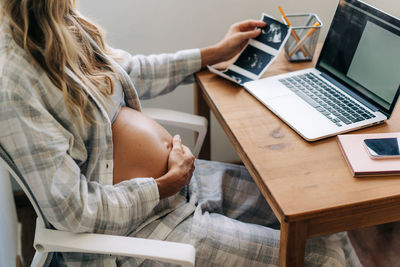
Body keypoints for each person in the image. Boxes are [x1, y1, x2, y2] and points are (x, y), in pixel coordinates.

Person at [0, 1, 362, 266]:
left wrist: (214, 53)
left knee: (317, 221)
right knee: (324, 256)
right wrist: (162, 185)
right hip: (134, 231)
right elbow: (74, 212)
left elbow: (133, 71)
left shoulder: (60, 21)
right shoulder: (14, 83)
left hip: (181, 188)